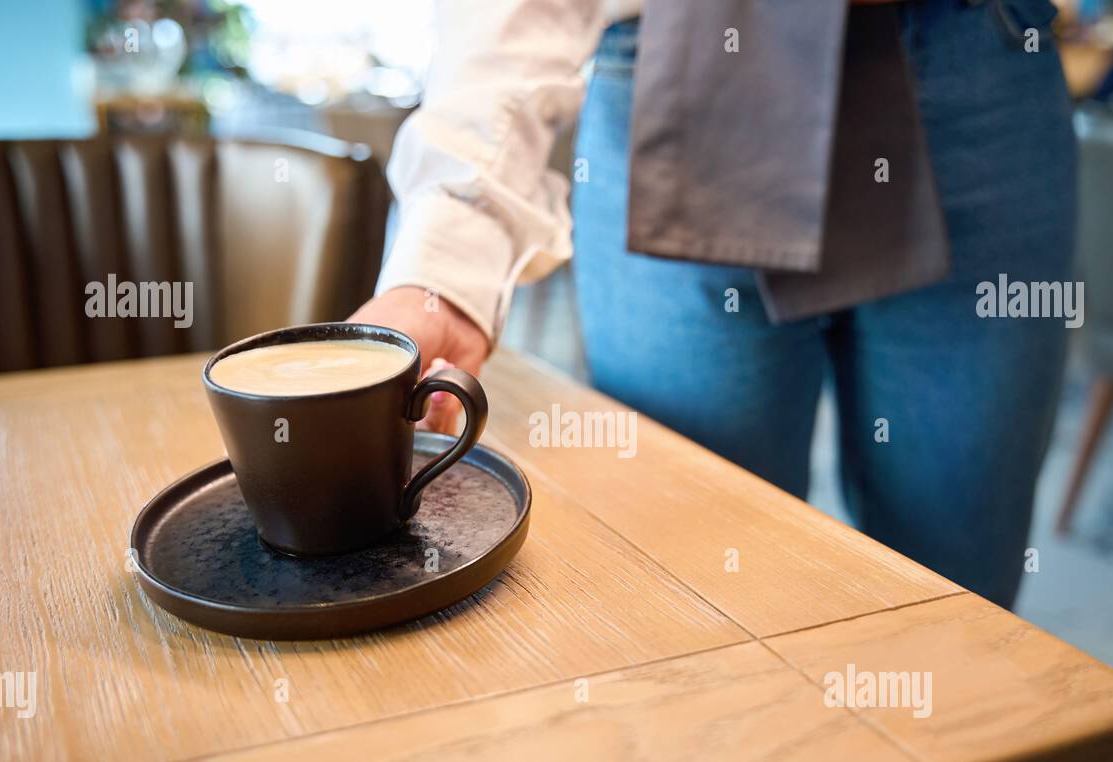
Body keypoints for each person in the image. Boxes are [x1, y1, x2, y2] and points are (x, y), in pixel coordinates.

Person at [350, 0, 1076, 609]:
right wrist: (447, 259)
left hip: (972, 56)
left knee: (961, 590)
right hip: (682, 67)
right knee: (697, 591)